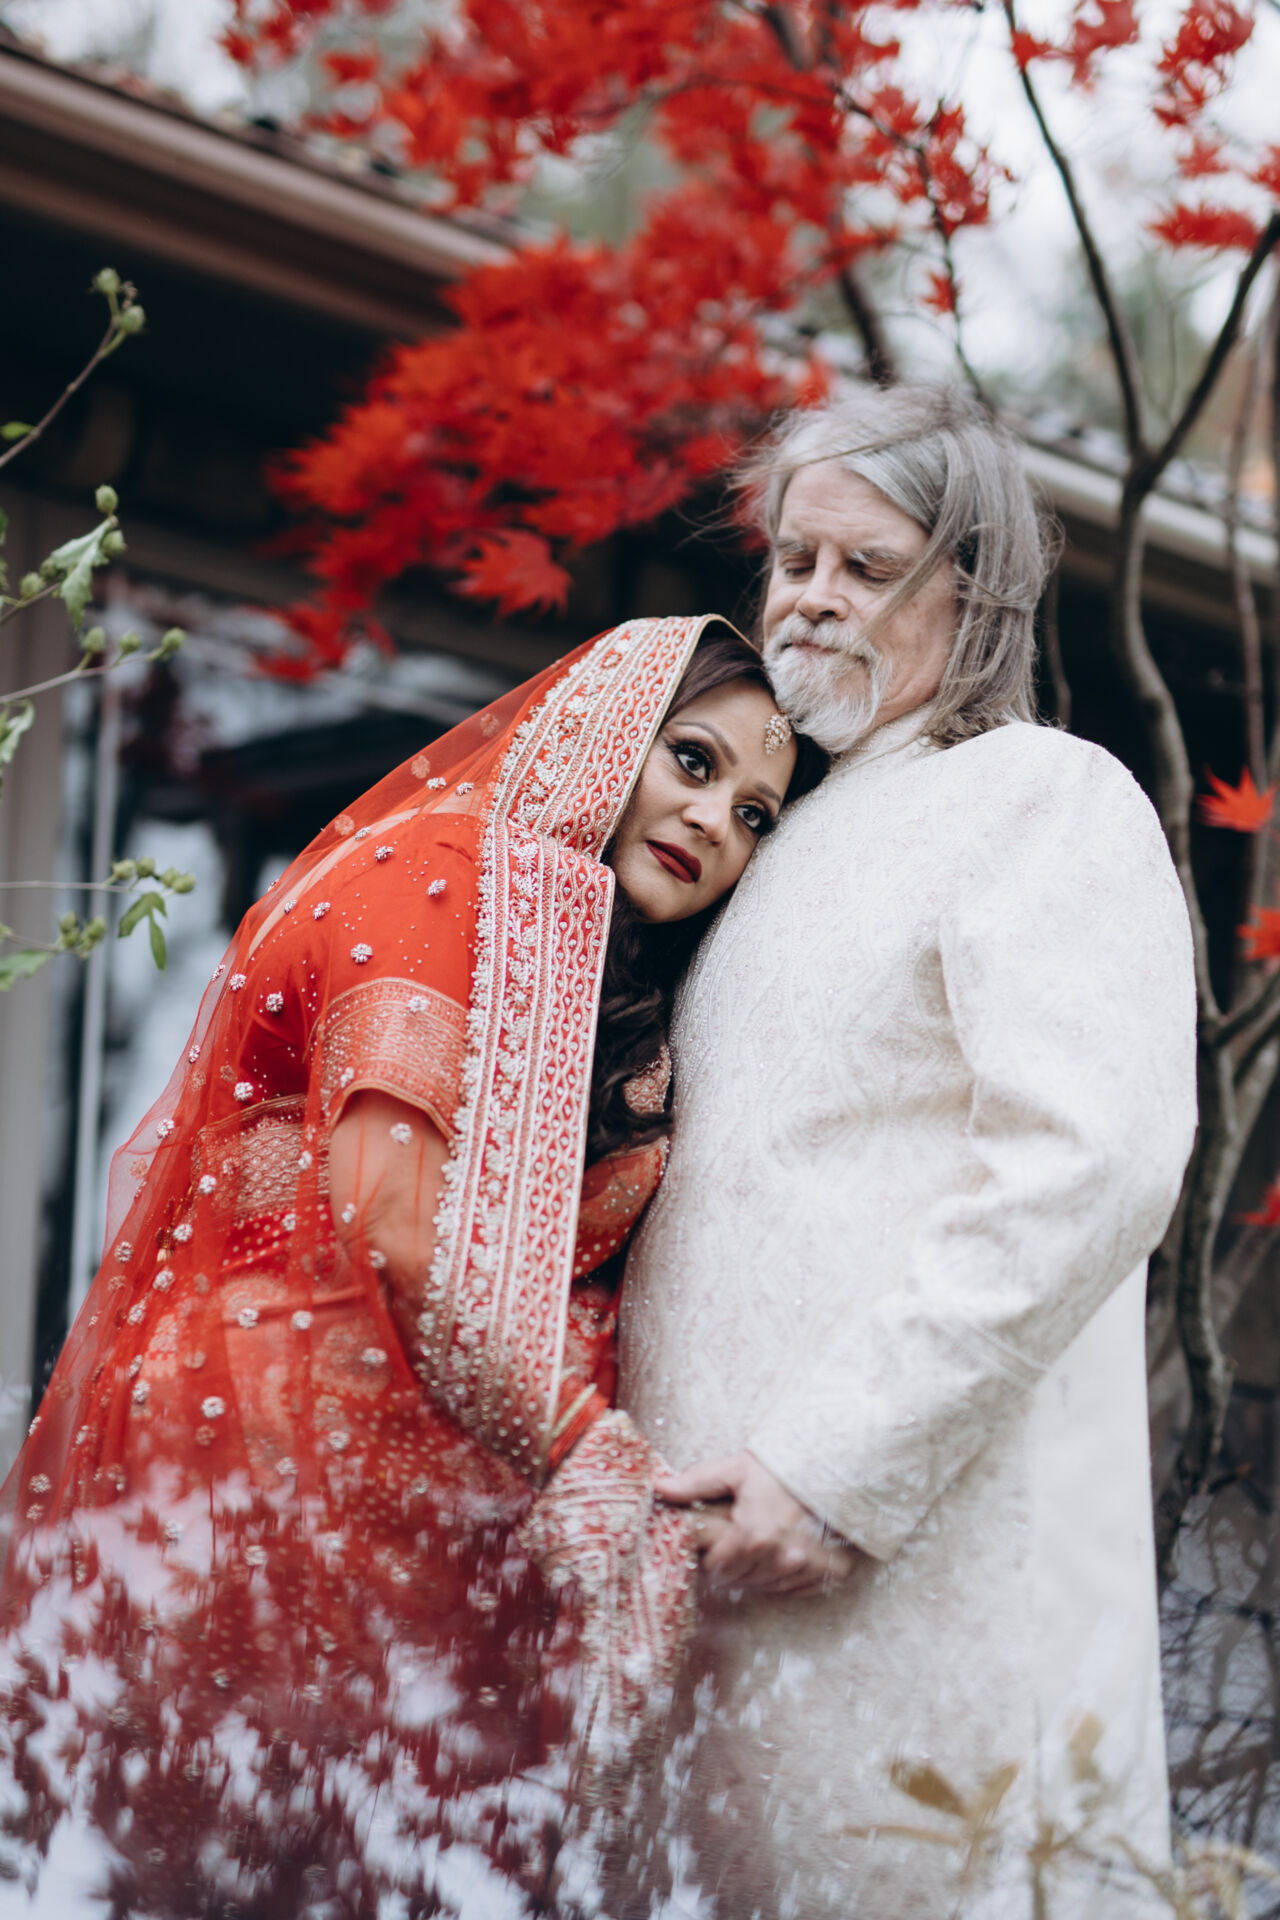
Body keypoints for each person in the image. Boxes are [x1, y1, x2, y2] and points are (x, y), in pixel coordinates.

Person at [0, 615, 817, 1916]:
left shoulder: (607, 983)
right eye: (695, 761)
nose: (717, 820)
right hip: (266, 1451)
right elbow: (391, 1218)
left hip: (445, 1505)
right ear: (608, 733)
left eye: (758, 814)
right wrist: (587, 1452)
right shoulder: (445, 868)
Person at [618, 388, 1199, 1919]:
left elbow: (1092, 1162)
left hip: (913, 1568)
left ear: (979, 592)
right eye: (794, 559)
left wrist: (836, 1470)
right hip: (714, 1589)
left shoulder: (1044, 797)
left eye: (866, 566)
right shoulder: (767, 835)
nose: (811, 596)